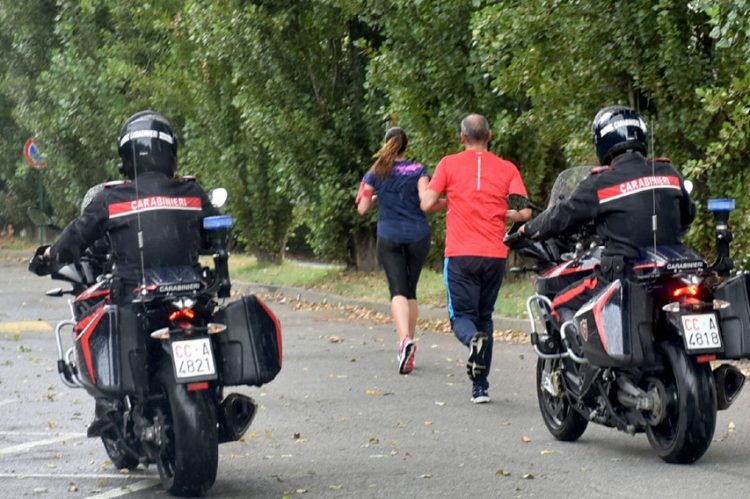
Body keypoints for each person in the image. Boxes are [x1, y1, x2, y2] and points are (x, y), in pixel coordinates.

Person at [44, 110, 219, 434]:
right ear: (171, 153)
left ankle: (109, 406)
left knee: (98, 312)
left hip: (135, 294)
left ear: (126, 156)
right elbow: (215, 234)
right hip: (193, 290)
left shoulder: (111, 198)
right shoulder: (193, 193)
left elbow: (77, 235)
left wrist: (51, 255)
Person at [515, 105, 695, 320]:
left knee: (557, 302)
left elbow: (560, 215)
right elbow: (688, 215)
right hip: (671, 272)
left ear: (602, 142)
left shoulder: (601, 182)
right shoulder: (668, 172)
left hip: (622, 273)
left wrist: (527, 229)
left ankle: (582, 353)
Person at [420, 114, 531, 403]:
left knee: (461, 318)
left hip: (460, 254)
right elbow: (525, 213)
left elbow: (428, 203)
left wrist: (450, 200)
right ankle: (480, 387)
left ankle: (473, 342)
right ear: (490, 136)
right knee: (485, 317)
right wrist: (508, 213)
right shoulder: (507, 168)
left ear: (462, 137)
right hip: (495, 255)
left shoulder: (449, 164)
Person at [357, 127, 440, 375]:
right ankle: (409, 345)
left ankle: (404, 342)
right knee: (410, 291)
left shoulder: (375, 172)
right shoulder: (418, 170)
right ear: (406, 146)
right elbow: (426, 200)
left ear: (386, 144)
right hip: (418, 236)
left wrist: (375, 199)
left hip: (390, 235)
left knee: (397, 290)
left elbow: (362, 208)